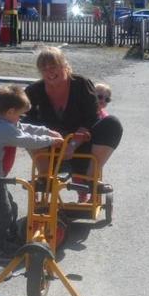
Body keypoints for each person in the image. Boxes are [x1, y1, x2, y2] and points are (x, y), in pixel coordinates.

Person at [0, 85, 63, 262]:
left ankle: (9, 237)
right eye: (19, 114)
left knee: (11, 207)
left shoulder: (3, 120)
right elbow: (26, 139)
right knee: (1, 215)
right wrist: (50, 140)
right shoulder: (1, 129)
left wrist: (46, 131)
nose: (20, 118)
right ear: (10, 111)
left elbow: (24, 128)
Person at [25, 47, 118, 198]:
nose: (49, 72)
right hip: (50, 148)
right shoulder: (34, 90)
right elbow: (26, 119)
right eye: (44, 68)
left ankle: (90, 180)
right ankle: (44, 178)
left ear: (64, 65)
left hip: (82, 145)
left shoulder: (81, 84)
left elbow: (92, 118)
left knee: (112, 123)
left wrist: (73, 144)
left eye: (53, 66)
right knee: (27, 127)